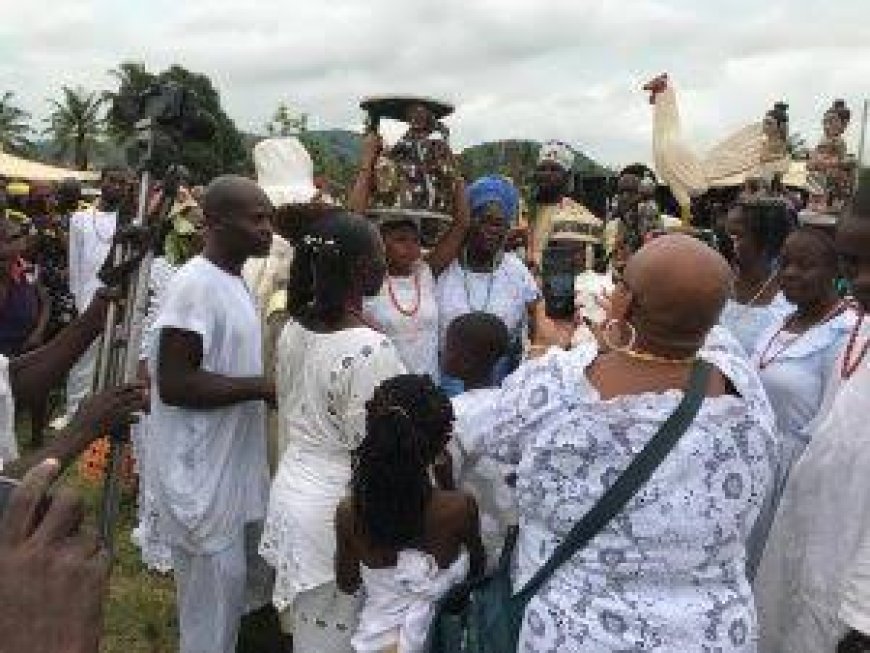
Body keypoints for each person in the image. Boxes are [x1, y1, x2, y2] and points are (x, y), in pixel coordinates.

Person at [456, 234, 776, 651]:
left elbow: (495, 435)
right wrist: (618, 338)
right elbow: (686, 335)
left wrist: (546, 348)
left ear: (625, 302)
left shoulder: (559, 384)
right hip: (712, 633)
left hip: (577, 632)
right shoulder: (745, 389)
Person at [259, 212, 406, 653]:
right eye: (380, 254)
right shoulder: (368, 348)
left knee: (313, 630)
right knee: (339, 634)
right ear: (361, 268)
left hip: (294, 488)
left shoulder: (295, 326)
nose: (385, 265)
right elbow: (373, 447)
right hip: (338, 508)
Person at [150, 175, 276, 653]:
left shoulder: (233, 280)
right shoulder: (194, 286)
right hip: (197, 475)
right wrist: (262, 388)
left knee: (232, 598)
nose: (267, 229)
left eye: (270, 218)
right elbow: (176, 382)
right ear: (215, 222)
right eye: (257, 219)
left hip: (227, 471)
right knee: (209, 617)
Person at [755, 188, 870, 653]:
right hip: (813, 562)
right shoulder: (856, 338)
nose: (861, 281)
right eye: (851, 262)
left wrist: (863, 616)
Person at [335, 374, 484, 653]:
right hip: (443, 638)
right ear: (441, 445)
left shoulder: (349, 513)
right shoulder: (459, 508)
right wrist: (447, 482)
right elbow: (476, 572)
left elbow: (347, 582)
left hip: (377, 642)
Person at [351, 132, 471, 382]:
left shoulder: (425, 273)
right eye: (400, 240)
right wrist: (367, 163)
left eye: (415, 240)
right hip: (381, 389)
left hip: (427, 390)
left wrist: (453, 171)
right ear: (380, 244)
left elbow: (461, 224)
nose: (411, 248)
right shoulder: (370, 280)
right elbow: (352, 221)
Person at [129, 189, 205, 574]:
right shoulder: (159, 268)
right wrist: (143, 368)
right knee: (158, 449)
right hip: (157, 368)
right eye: (194, 223)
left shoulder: (202, 270)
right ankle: (157, 536)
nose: (199, 231)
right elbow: (145, 320)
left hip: (186, 370)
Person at [436, 176, 540, 395]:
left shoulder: (516, 272)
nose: (490, 230)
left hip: (500, 385)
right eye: (483, 220)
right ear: (468, 220)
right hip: (445, 382)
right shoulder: (444, 267)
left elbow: (539, 318)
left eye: (499, 223)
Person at [441, 312, 516, 567]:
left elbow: (444, 489)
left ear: (466, 361)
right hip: (517, 535)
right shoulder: (514, 402)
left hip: (475, 543)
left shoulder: (453, 415)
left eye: (448, 346)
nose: (442, 351)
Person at [63, 167, 127, 424]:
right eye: (113, 181)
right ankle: (74, 412)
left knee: (116, 357)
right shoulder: (79, 219)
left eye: (123, 183)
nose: (118, 187)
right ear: (102, 183)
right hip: (87, 299)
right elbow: (75, 263)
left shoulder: (128, 221)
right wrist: (79, 300)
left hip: (119, 298)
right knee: (82, 361)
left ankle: (108, 411)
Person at [719, 196, 794, 354]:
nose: (725, 242)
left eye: (736, 235)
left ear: (767, 240)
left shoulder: (788, 300)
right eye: (724, 233)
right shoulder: (715, 280)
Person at [527, 140, 600, 269]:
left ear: (567, 176)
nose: (546, 174)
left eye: (554, 169)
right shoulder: (524, 211)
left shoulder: (579, 215)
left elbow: (581, 266)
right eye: (542, 169)